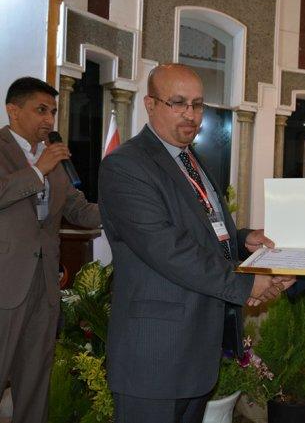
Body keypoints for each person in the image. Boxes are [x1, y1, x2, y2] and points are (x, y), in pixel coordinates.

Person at [98, 63, 294, 422]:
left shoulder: (191, 160)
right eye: (178, 103)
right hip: (154, 355)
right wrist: (246, 282)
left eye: (198, 104)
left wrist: (242, 240)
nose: (191, 114)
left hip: (196, 352)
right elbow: (167, 249)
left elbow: (202, 231)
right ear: (150, 104)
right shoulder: (126, 165)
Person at [0, 77, 100, 423]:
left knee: (35, 378)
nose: (49, 119)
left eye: (53, 111)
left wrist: (129, 209)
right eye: (41, 110)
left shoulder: (52, 158)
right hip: (5, 283)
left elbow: (80, 210)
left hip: (45, 285)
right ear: (13, 111)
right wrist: (37, 170)